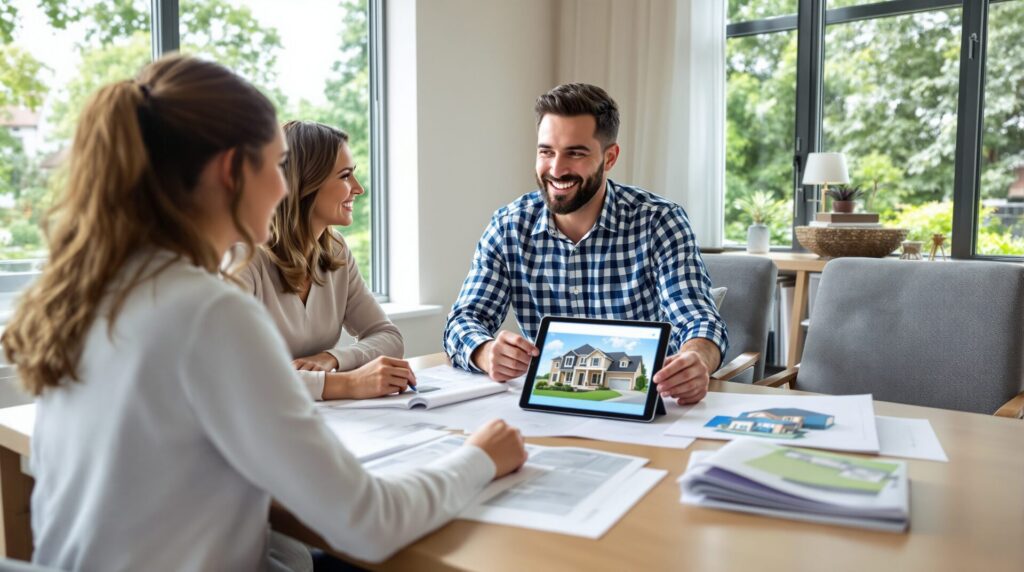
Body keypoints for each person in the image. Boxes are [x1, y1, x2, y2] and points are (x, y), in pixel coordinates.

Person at [1, 54, 526, 571]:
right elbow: (370, 523)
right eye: (277, 165)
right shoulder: (209, 312)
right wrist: (481, 456)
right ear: (233, 171)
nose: (283, 186)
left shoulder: (89, 290)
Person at [443, 83, 728, 405]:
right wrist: (484, 351)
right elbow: (463, 320)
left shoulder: (659, 221)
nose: (556, 168)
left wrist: (697, 359)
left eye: (575, 153)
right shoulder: (508, 226)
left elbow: (697, 319)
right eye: (546, 151)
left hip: (646, 404)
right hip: (550, 404)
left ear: (610, 158)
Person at [239, 120, 413, 401]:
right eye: (345, 176)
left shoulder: (335, 250)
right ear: (306, 182)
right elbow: (237, 375)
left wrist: (332, 358)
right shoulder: (242, 256)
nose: (358, 189)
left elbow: (388, 337)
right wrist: (350, 384)